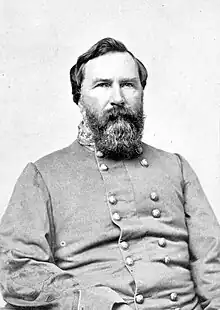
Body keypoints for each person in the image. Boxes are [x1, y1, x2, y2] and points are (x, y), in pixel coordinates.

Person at [0, 37, 220, 310]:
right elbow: (18, 268)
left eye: (128, 85)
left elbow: (213, 265)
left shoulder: (175, 167)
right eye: (103, 85)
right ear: (79, 99)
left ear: (141, 93)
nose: (117, 98)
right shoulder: (42, 175)